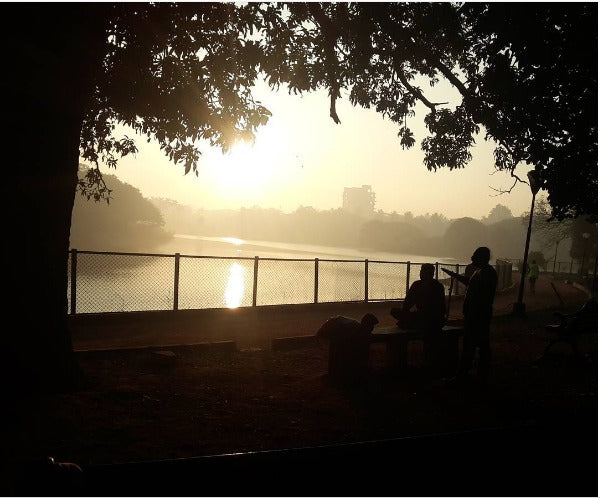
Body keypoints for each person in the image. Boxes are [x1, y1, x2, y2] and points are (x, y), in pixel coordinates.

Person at [442, 247, 498, 385]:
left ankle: (466, 375)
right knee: (479, 344)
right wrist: (454, 275)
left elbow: (479, 292)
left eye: (475, 255)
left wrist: (473, 311)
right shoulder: (481, 272)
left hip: (478, 315)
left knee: (472, 344)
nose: (472, 258)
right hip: (477, 314)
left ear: (482, 257)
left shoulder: (486, 273)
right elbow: (470, 283)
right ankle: (478, 374)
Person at [391, 263, 446, 332]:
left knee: (394, 311)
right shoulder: (439, 285)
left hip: (424, 318)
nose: (420, 273)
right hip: (438, 321)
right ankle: (409, 322)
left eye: (422, 271)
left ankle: (409, 323)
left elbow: (407, 304)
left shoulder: (417, 285)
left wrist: (406, 313)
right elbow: (442, 309)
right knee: (410, 317)